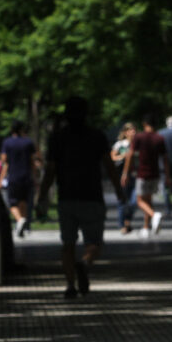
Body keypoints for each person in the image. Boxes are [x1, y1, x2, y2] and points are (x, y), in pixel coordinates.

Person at [38, 97, 124, 298]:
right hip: (92, 196)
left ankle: (70, 285)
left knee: (67, 244)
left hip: (66, 197)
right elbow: (109, 166)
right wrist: (119, 189)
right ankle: (85, 263)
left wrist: (42, 195)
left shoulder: (57, 138)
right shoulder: (97, 136)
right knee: (94, 243)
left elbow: (50, 170)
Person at [122, 110, 169, 238]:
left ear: (144, 123)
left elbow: (130, 155)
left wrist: (125, 173)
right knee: (148, 200)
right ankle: (146, 228)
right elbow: (165, 159)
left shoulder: (139, 137)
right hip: (155, 174)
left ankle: (154, 215)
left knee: (139, 201)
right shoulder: (159, 138)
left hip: (142, 173)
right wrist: (168, 176)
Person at [0, 120, 40, 237]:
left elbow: (4, 160)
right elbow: (33, 162)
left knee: (12, 203)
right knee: (23, 201)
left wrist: (0, 179)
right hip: (26, 176)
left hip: (13, 176)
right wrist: (35, 177)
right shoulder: (28, 143)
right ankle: (23, 224)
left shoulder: (7, 143)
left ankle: (19, 220)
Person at [111, 122, 137, 234]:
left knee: (134, 201)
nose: (133, 132)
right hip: (122, 175)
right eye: (131, 130)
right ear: (126, 132)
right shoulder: (120, 145)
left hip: (135, 175)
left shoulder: (137, 144)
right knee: (122, 201)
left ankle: (127, 220)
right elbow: (112, 157)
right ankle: (122, 225)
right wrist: (123, 156)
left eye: (134, 130)